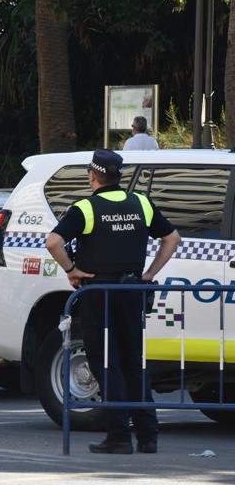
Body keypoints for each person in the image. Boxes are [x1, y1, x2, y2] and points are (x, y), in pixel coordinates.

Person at [46, 149, 180, 455]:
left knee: (107, 362)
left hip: (99, 294)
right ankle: (148, 435)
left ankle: (119, 435)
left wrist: (71, 270)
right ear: (118, 177)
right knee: (134, 361)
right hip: (133, 291)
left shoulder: (86, 208)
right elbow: (172, 238)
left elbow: (53, 242)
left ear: (92, 176)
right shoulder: (141, 203)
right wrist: (148, 274)